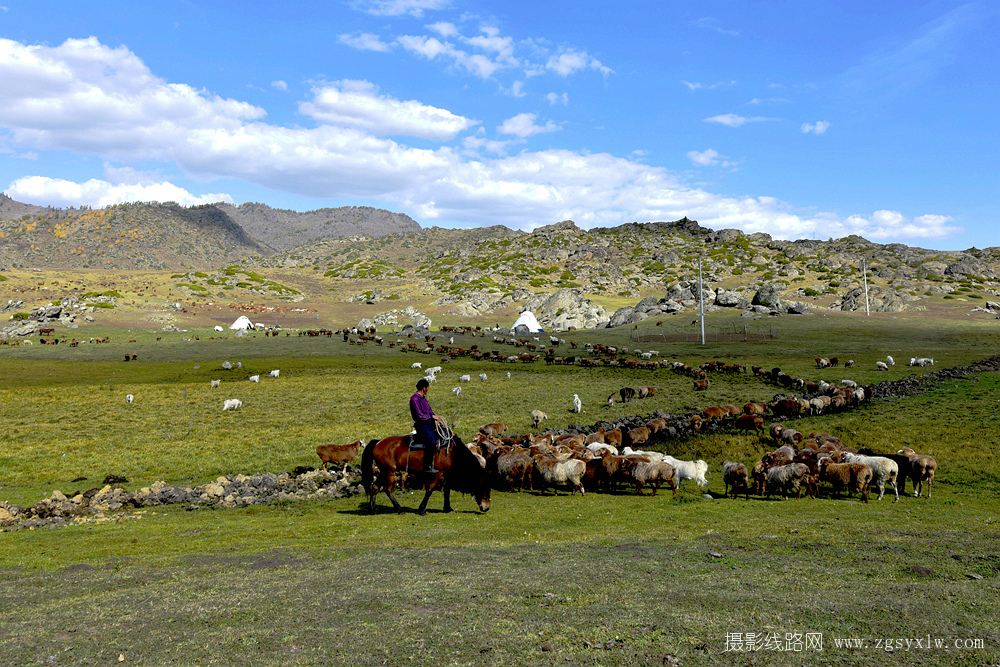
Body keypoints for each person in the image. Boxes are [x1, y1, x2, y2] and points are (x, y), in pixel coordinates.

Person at [409, 377, 444, 474]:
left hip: (429, 422)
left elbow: (430, 411)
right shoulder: (415, 399)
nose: (428, 390)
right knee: (432, 442)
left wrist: (437, 420)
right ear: (424, 388)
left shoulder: (424, 398)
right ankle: (427, 466)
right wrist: (432, 417)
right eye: (427, 387)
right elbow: (420, 415)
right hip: (422, 425)